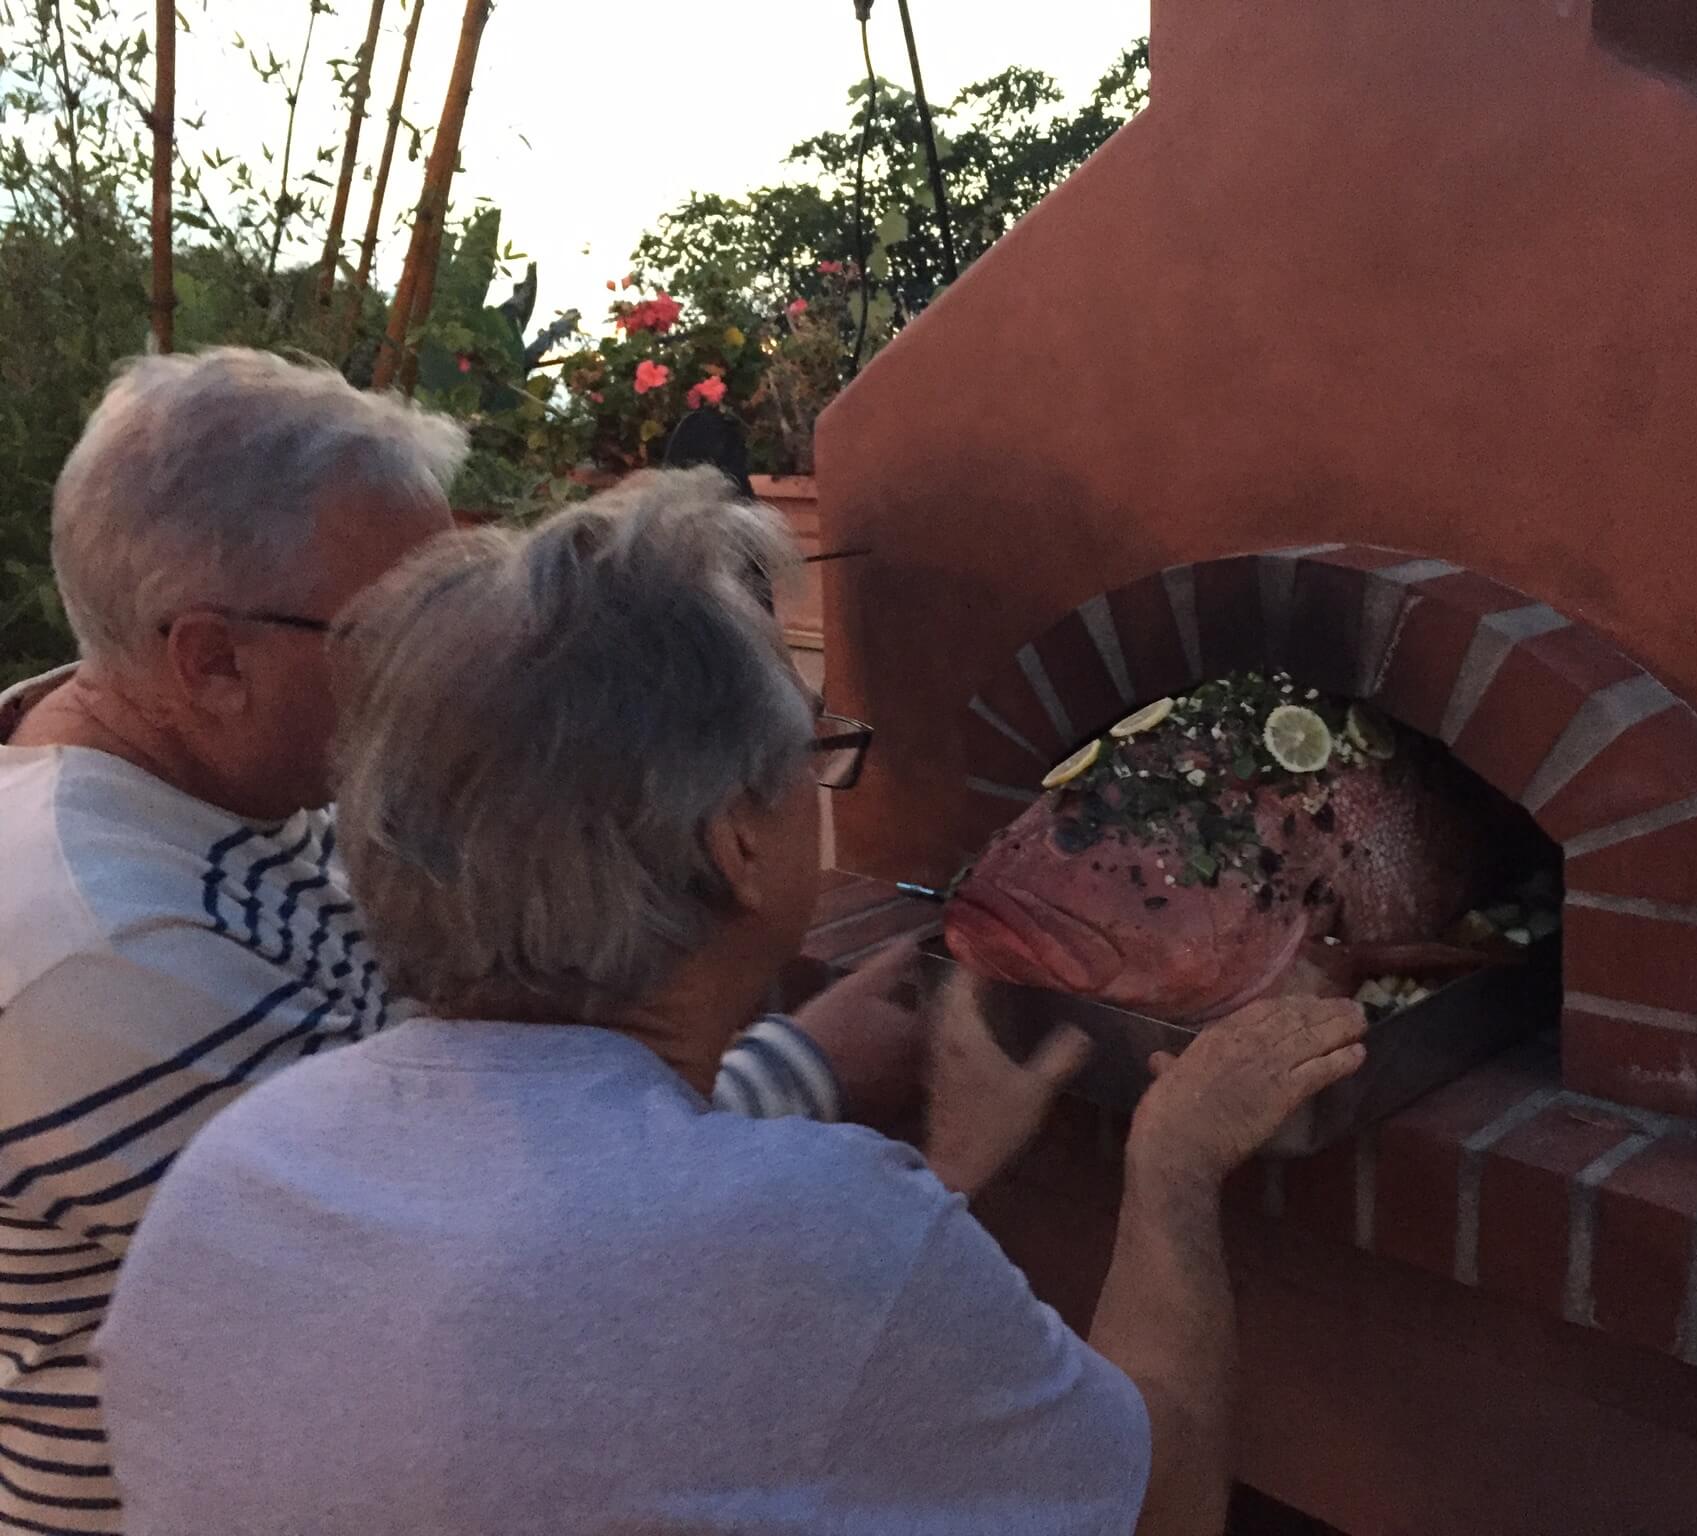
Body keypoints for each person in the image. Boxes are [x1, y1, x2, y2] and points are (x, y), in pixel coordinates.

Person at [95, 470, 1369, 1536]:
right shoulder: (798, 1236)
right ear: (736, 845)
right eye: (814, 756)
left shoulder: (239, 1165)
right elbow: (1163, 1505)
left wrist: (930, 1185)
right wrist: (1172, 1169)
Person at [0, 351, 927, 1533]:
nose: (446, 669)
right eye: (399, 629)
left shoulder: (231, 786)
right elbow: (449, 1258)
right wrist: (811, 1070)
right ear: (210, 658)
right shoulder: (95, 945)